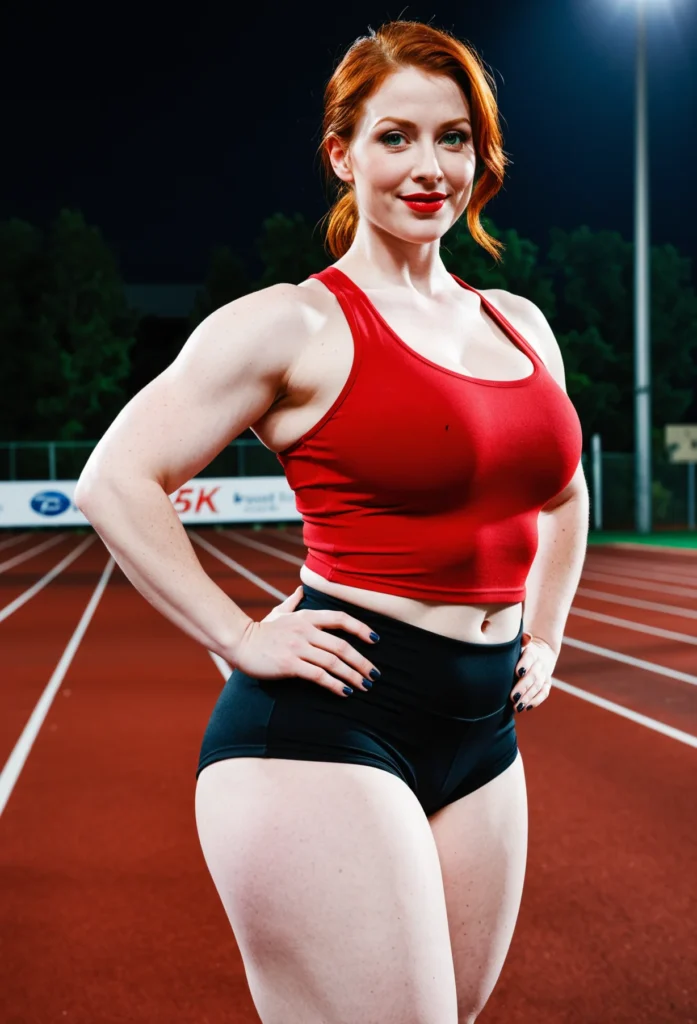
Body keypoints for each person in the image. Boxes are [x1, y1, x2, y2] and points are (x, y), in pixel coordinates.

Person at [75, 18, 587, 1024]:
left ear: (481, 157)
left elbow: (563, 495)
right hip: (329, 720)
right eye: (395, 136)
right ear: (341, 153)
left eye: (454, 137)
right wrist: (237, 632)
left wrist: (549, 629)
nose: (428, 165)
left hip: (483, 733)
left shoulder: (518, 324)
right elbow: (113, 479)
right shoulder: (291, 323)